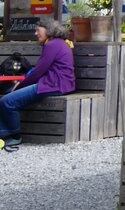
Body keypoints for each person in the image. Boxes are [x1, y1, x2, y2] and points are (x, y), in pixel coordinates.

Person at [0, 17, 76, 150]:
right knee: (7, 97)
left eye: (37, 30)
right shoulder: (58, 43)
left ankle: (14, 136)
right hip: (59, 84)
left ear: (48, 30)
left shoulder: (51, 45)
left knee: (7, 101)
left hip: (54, 84)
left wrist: (19, 86)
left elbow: (38, 72)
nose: (35, 34)